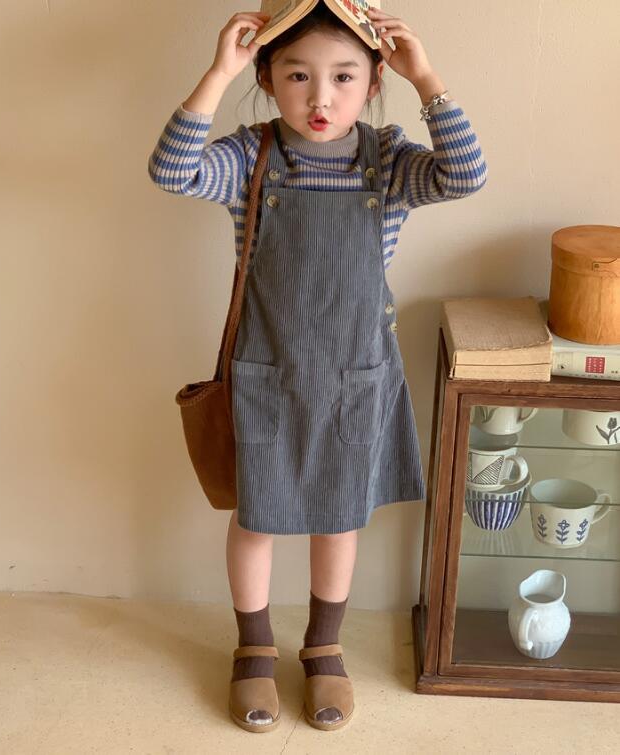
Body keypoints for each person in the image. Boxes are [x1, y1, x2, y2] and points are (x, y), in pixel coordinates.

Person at [148, 3, 487, 734]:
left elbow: (465, 176)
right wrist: (219, 73)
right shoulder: (251, 157)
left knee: (339, 518)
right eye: (297, 76)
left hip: (355, 377)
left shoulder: (388, 162)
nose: (320, 96)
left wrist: (426, 78)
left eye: (343, 76)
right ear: (268, 78)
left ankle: (324, 647)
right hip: (266, 375)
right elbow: (171, 171)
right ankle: (253, 648)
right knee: (257, 517)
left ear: (373, 83)